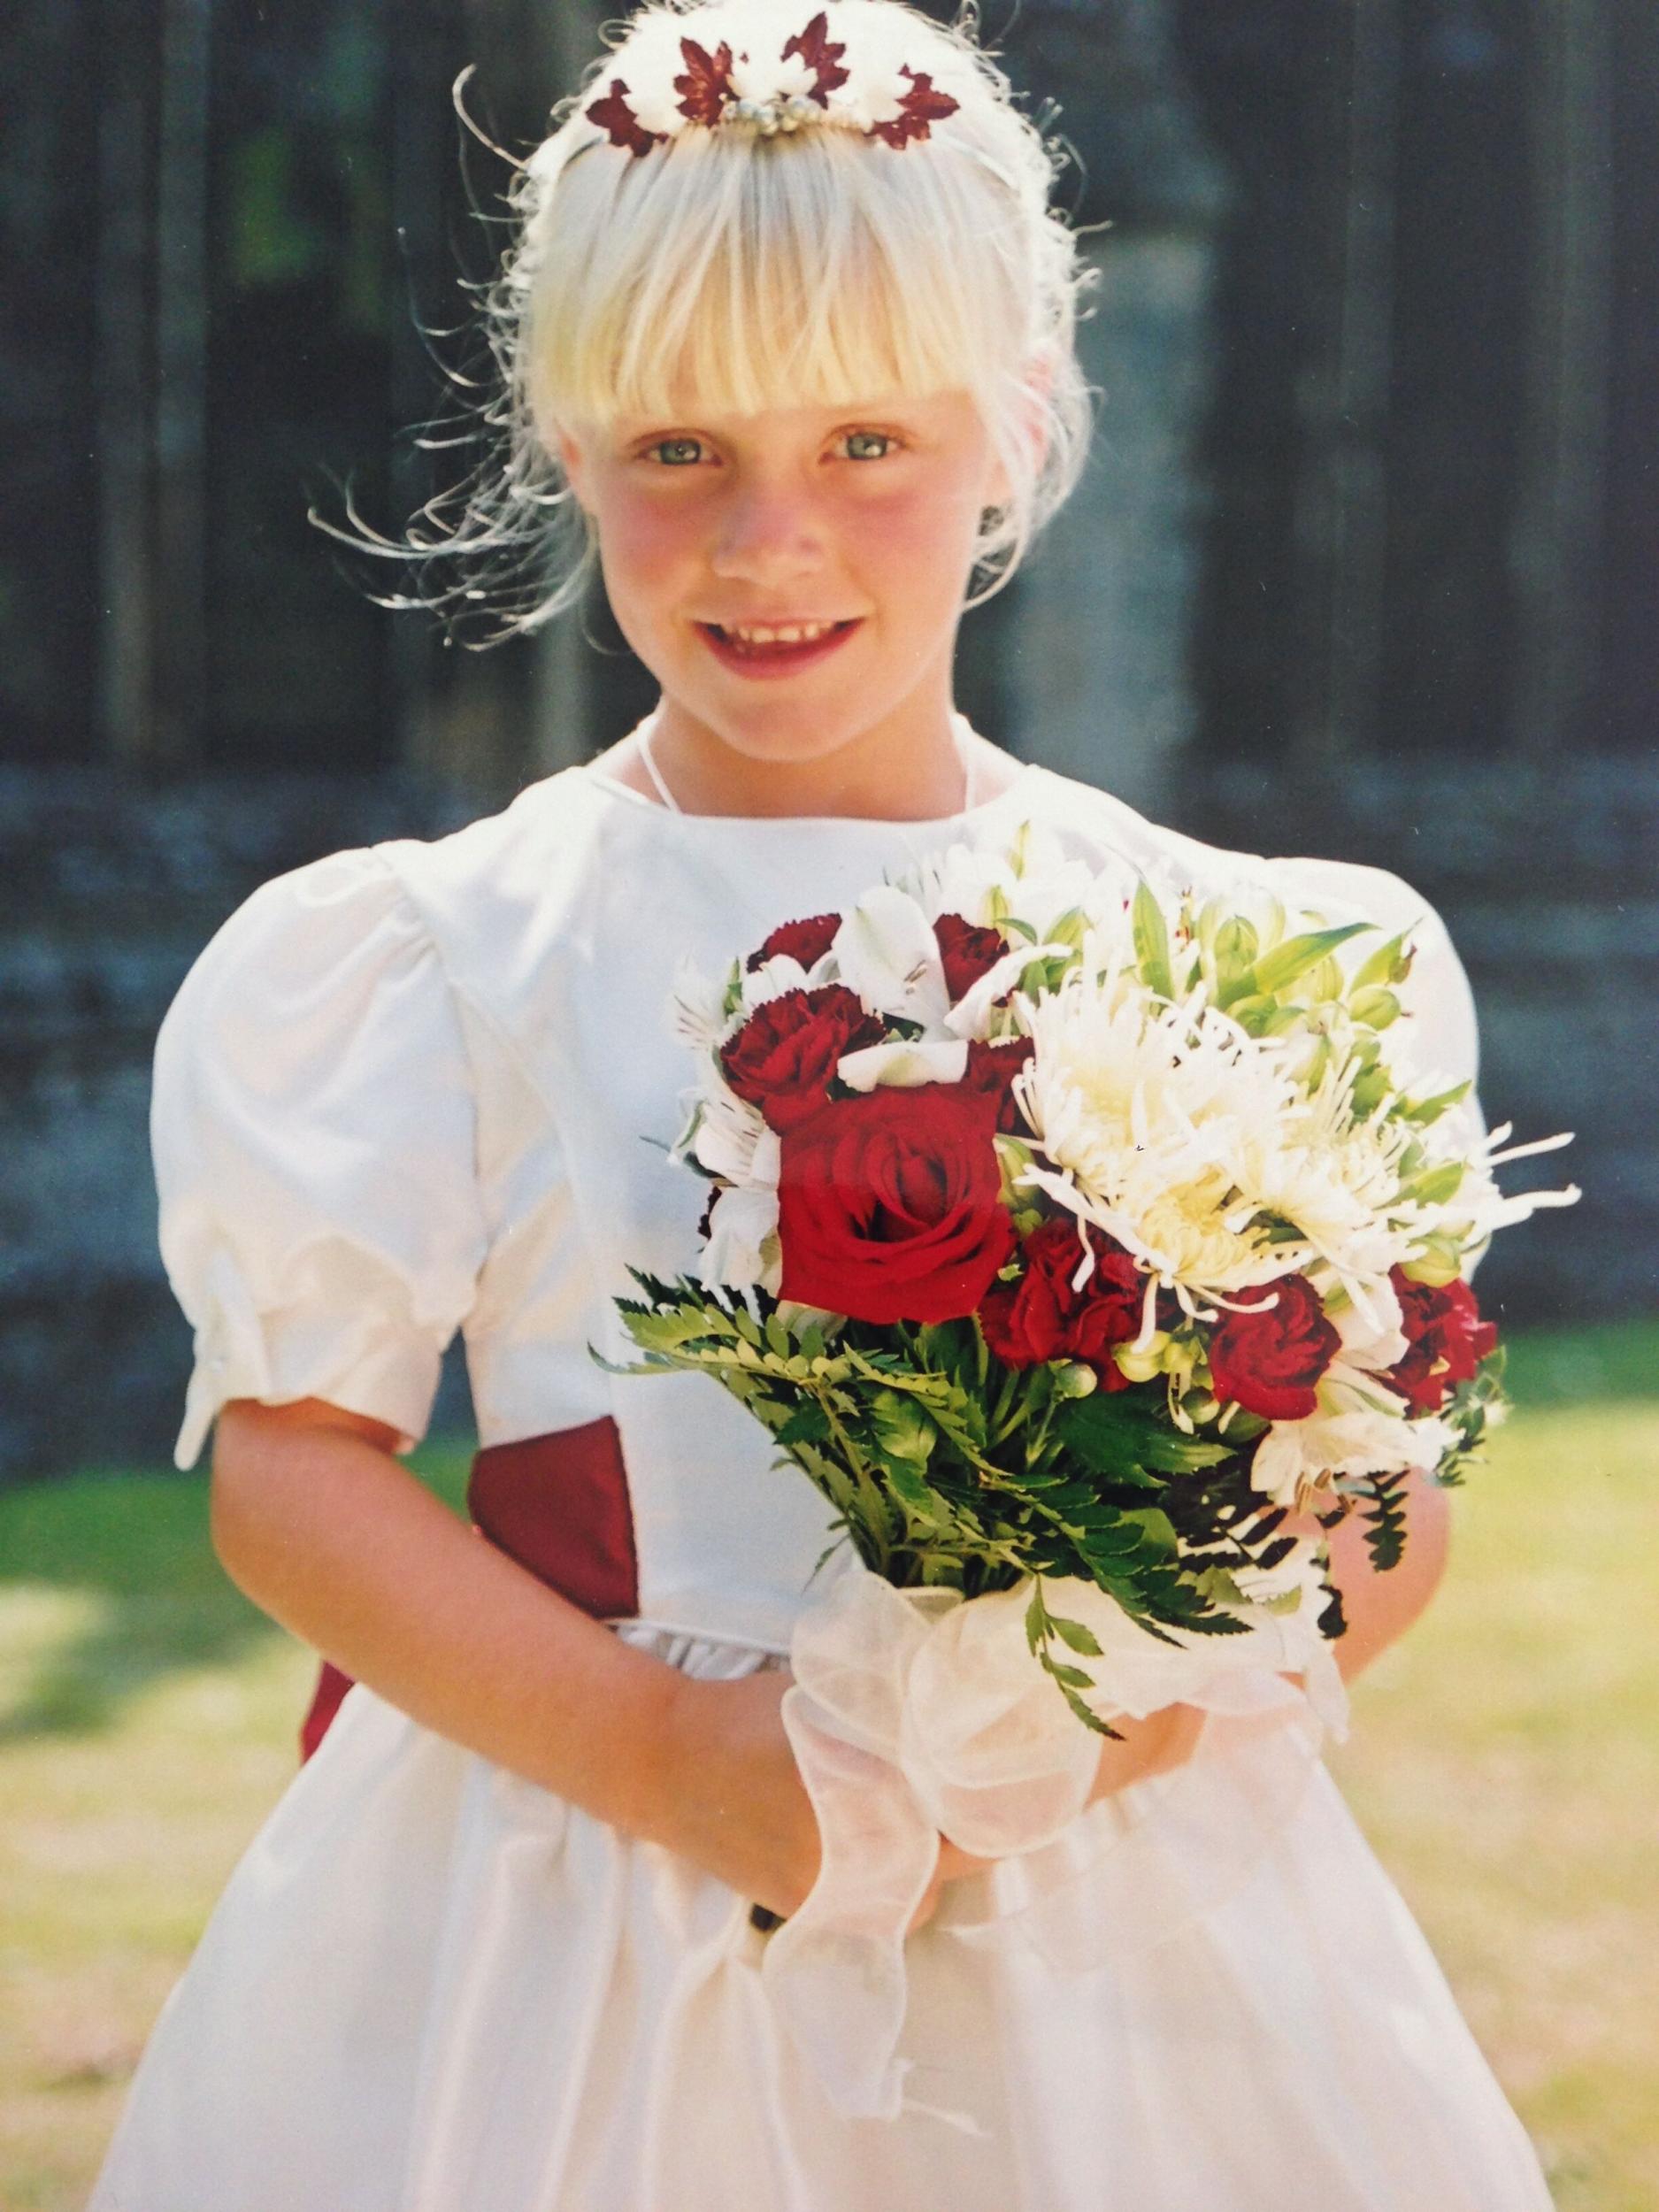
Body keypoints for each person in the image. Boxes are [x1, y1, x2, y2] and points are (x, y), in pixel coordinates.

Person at [90, 4, 1555, 2204]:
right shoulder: (437, 955)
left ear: (1018, 422)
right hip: (577, 1887)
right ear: (567, 446)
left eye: (866, 438)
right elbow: (297, 1482)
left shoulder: (1247, 954)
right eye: (679, 448)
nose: (768, 543)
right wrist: (687, 1758)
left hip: (1107, 1915)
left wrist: (1100, 1719)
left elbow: (1368, 1508)